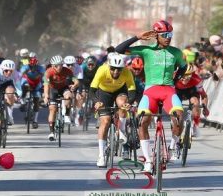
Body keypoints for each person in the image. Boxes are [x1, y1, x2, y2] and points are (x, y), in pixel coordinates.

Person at [115, 20, 187, 172]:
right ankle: (148, 160)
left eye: (170, 34)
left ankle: (173, 147)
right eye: (165, 35)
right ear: (156, 36)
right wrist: (137, 37)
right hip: (151, 92)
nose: (168, 37)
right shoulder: (146, 51)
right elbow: (119, 49)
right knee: (142, 121)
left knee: (180, 116)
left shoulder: (176, 52)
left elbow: (183, 66)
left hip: (169, 91)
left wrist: (175, 79)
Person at [90, 53, 136, 167]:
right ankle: (101, 155)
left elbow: (132, 91)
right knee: (105, 121)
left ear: (123, 68)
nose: (116, 72)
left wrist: (128, 103)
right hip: (104, 92)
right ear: (109, 67)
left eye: (118, 70)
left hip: (120, 91)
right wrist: (97, 102)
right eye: (113, 69)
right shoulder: (102, 70)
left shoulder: (127, 72)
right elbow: (91, 90)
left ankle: (121, 130)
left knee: (122, 104)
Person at [43, 55, 79, 141]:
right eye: (56, 66)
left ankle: (67, 114)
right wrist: (46, 96)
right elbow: (46, 85)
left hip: (63, 88)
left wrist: (75, 85)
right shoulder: (48, 72)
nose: (59, 67)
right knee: (52, 109)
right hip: (53, 89)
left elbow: (76, 80)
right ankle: (51, 132)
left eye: (61, 65)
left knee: (69, 96)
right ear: (52, 66)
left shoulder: (67, 71)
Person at [175, 64, 210, 137]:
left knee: (196, 103)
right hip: (178, 91)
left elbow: (204, 95)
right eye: (183, 76)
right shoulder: (174, 77)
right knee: (176, 108)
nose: (185, 78)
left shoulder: (196, 79)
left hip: (190, 91)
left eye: (188, 76)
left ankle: (196, 126)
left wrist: (205, 107)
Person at [19, 54, 45, 128]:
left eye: (34, 66)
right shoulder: (25, 67)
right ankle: (23, 102)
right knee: (24, 86)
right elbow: (21, 74)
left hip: (36, 84)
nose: (33, 68)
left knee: (36, 101)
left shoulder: (40, 68)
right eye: (31, 66)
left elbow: (42, 76)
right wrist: (26, 71)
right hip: (27, 82)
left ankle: (35, 121)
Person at [63, 55, 83, 126]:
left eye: (72, 65)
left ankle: (77, 115)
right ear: (65, 64)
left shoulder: (79, 68)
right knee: (67, 95)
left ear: (75, 64)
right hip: (66, 82)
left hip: (76, 82)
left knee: (78, 97)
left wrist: (79, 92)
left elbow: (80, 81)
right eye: (68, 65)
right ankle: (64, 109)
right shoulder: (63, 68)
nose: (70, 66)